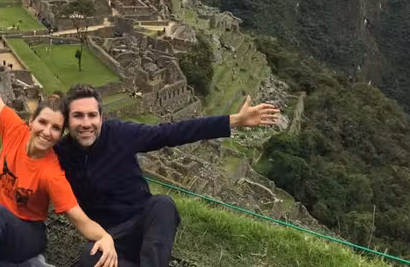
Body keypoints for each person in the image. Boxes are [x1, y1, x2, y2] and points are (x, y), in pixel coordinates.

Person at [0, 17, 118, 267]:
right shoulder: (13, 129)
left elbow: (78, 218)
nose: (47, 132)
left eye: (56, 128)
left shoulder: (51, 171)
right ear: (31, 121)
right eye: (43, 123)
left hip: (27, 234)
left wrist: (104, 237)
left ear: (60, 134)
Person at [55, 84, 281, 267]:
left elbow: (170, 133)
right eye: (78, 116)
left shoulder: (120, 134)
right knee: (88, 258)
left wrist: (235, 120)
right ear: (67, 121)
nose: (86, 123)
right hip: (108, 236)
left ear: (101, 117)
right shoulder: (61, 154)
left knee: (163, 204)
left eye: (92, 115)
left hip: (145, 224)